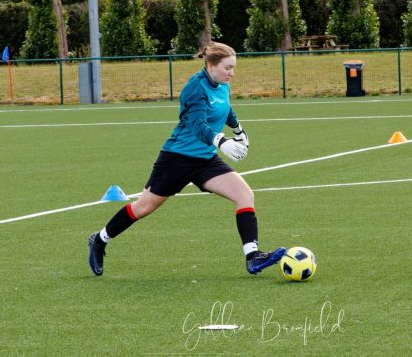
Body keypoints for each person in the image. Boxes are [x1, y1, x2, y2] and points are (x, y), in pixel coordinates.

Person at [87, 42, 285, 276]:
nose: (232, 73)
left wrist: (238, 130)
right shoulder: (195, 88)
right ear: (211, 65)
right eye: (228, 68)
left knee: (245, 195)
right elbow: (198, 126)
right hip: (177, 159)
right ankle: (99, 240)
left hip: (206, 160)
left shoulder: (222, 83)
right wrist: (222, 141)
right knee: (143, 207)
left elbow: (225, 108)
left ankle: (253, 257)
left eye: (233, 68)